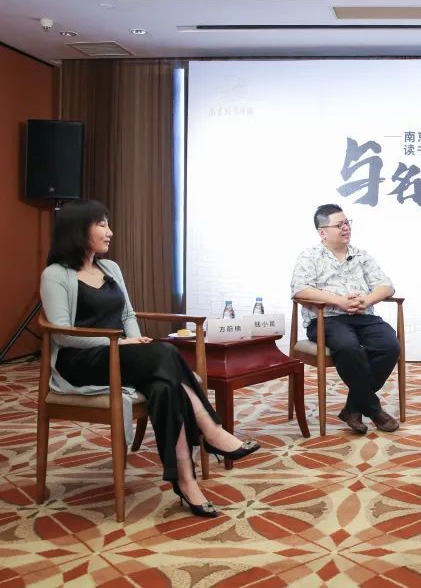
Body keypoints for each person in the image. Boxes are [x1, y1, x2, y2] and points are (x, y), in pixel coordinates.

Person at [40, 200, 260, 519]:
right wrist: (122, 343)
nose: (110, 232)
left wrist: (136, 342)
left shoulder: (110, 268)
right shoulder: (55, 275)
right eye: (101, 224)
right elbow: (62, 334)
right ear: (78, 229)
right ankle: (211, 431)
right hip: (81, 361)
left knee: (165, 387)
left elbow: (127, 314)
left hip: (120, 355)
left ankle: (186, 481)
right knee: (166, 352)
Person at [290, 204, 400, 434]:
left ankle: (353, 408)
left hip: (362, 316)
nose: (346, 228)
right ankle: (374, 409)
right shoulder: (310, 256)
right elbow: (300, 290)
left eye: (347, 223)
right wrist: (339, 301)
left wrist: (367, 300)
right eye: (339, 225)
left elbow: (387, 286)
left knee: (389, 345)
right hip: (326, 320)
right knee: (348, 347)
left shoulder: (361, 255)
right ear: (322, 232)